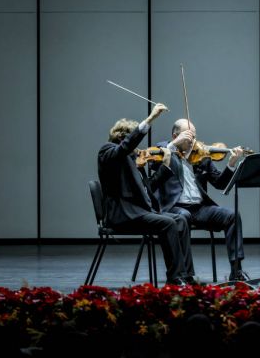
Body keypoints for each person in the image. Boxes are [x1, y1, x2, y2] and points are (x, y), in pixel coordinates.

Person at [97, 103, 193, 286]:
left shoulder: (133, 159)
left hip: (140, 211)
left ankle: (186, 275)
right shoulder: (108, 151)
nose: (138, 147)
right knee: (168, 223)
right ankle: (175, 278)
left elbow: (148, 188)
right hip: (124, 215)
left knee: (180, 220)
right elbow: (124, 148)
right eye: (134, 141)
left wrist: (165, 166)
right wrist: (150, 118)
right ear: (124, 138)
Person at [152, 118, 248, 281]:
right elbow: (155, 168)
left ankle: (236, 271)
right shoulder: (164, 150)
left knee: (232, 215)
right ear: (175, 136)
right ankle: (185, 275)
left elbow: (220, 184)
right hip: (175, 207)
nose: (193, 140)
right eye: (188, 136)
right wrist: (174, 145)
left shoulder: (201, 155)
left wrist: (231, 164)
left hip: (200, 208)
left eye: (194, 136)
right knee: (183, 216)